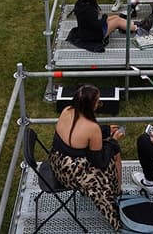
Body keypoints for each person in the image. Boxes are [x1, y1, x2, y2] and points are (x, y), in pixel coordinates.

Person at [49, 84, 125, 230]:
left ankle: (115, 191)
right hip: (72, 175)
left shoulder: (66, 110)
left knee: (108, 150)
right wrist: (114, 140)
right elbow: (100, 162)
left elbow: (78, 135)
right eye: (98, 102)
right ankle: (116, 196)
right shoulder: (92, 128)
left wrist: (105, 130)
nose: (99, 104)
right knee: (113, 157)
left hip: (56, 163)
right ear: (90, 105)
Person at [66, 0, 153, 52]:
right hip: (94, 35)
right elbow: (97, 25)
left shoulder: (79, 4)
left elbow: (92, 22)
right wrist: (104, 17)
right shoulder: (90, 10)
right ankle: (138, 28)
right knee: (117, 21)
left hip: (86, 31)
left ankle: (133, 25)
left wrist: (104, 18)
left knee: (115, 17)